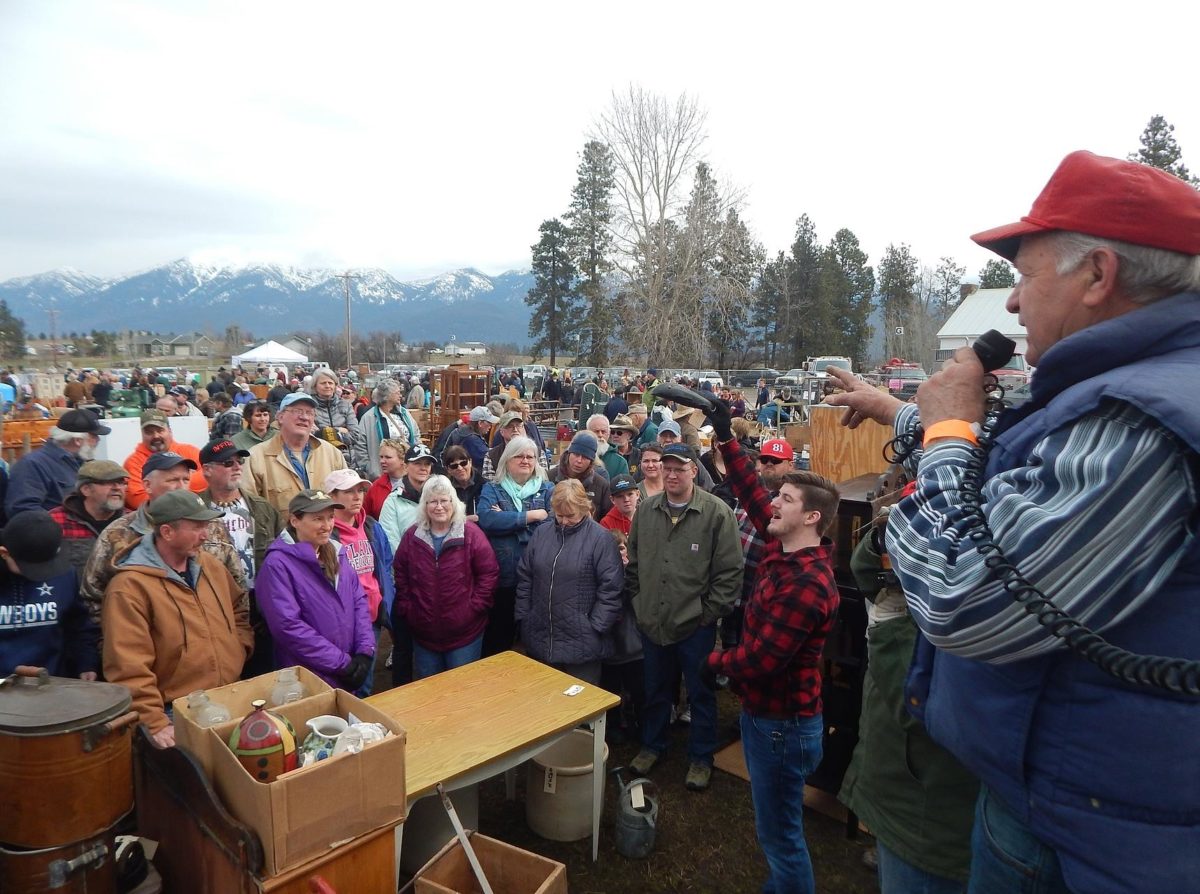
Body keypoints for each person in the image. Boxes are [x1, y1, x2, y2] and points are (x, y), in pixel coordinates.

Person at [825, 150, 1200, 894]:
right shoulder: (1146, 388)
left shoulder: (1137, 423)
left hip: (1079, 831)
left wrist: (948, 433)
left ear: (1098, 275)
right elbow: (1025, 468)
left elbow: (965, 598)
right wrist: (902, 413)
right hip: (1090, 801)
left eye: (1026, 276)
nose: (1013, 306)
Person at [705, 400, 841, 893]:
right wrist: (726, 436)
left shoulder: (807, 585)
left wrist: (711, 660)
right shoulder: (787, 544)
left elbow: (762, 659)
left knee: (781, 836)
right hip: (766, 716)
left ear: (811, 517)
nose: (772, 502)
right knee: (775, 830)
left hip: (783, 726)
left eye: (784, 498)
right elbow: (748, 487)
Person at [626, 442, 743, 791]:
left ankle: (701, 757)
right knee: (655, 689)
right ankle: (653, 745)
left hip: (696, 626)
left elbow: (729, 572)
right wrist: (639, 602)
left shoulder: (716, 513)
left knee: (701, 693)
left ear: (694, 470)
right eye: (668, 468)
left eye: (680, 468)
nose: (672, 474)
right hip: (653, 621)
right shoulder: (646, 511)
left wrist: (708, 615)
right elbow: (634, 563)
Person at [103, 490, 253, 746]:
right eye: (196, 527)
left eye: (206, 526)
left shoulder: (210, 566)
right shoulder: (128, 588)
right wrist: (154, 722)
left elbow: (238, 607)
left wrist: (238, 648)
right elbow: (127, 666)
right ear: (167, 532)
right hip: (176, 713)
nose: (205, 535)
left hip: (230, 696)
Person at [81, 450, 246, 629]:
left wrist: (238, 638)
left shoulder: (213, 526)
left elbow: (237, 588)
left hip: (214, 638)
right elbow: (93, 596)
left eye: (185, 480)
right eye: (172, 480)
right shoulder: (117, 533)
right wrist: (112, 636)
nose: (181, 487)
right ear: (147, 485)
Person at [254, 489, 375, 691]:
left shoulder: (338, 553)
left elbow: (359, 601)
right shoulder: (277, 565)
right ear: (295, 520)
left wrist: (364, 651)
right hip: (309, 678)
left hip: (347, 668)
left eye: (330, 517)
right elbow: (287, 626)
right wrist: (342, 663)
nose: (327, 526)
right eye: (318, 519)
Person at [515, 479, 623, 685]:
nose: (564, 521)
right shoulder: (542, 533)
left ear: (584, 509)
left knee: (581, 699)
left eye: (570, 515)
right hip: (541, 636)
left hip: (583, 641)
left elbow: (611, 588)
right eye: (559, 515)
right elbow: (526, 577)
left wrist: (595, 627)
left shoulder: (601, 539)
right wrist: (525, 617)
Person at [391, 475, 498, 679]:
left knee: (462, 687)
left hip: (465, 633)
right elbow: (401, 572)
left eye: (444, 500)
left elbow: (488, 573)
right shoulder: (412, 536)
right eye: (433, 501)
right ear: (425, 505)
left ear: (453, 502)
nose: (439, 507)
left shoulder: (471, 534)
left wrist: (474, 607)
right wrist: (409, 607)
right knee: (430, 689)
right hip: (424, 633)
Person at [198, 438, 284, 679]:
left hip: (261, 605)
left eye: (240, 461)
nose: (237, 467)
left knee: (266, 674)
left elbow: (284, 554)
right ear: (207, 470)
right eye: (228, 463)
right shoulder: (195, 510)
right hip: (217, 607)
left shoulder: (262, 507)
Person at [477, 436, 555, 657]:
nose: (525, 460)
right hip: (504, 577)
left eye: (530, 456)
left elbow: (552, 526)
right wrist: (530, 516)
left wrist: (508, 520)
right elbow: (487, 519)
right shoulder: (493, 489)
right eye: (519, 456)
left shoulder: (548, 489)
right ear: (507, 460)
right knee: (498, 639)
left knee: (533, 640)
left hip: (538, 576)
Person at [0, 510, 98, 680]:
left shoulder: (63, 573)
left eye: (46, 565)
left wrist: (86, 662)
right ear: (4, 553)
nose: (42, 574)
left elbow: (78, 624)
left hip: (51, 681)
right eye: (31, 568)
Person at [325, 468, 394, 695]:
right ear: (332, 497)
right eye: (348, 492)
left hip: (372, 618)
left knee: (365, 681)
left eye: (360, 490)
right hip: (342, 621)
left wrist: (386, 599)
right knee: (341, 681)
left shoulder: (371, 526)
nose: (357, 497)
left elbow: (386, 564)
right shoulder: (326, 535)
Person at [244, 392, 347, 514]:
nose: (304, 417)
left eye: (309, 413)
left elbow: (346, 499)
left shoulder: (332, 453)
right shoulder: (255, 457)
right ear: (280, 417)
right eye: (297, 411)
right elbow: (250, 509)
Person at [5, 409, 110, 516]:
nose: (98, 440)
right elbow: (23, 510)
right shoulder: (33, 464)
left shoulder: (83, 462)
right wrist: (62, 523)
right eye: (94, 436)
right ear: (78, 440)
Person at [49, 460, 129, 578]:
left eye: (121, 482)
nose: (117, 487)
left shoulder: (133, 522)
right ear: (86, 489)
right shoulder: (55, 521)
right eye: (108, 482)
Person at [122, 409, 207, 510]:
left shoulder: (190, 451)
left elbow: (210, 478)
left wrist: (166, 484)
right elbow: (139, 501)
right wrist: (190, 482)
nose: (156, 436)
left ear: (169, 431)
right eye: (149, 432)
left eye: (160, 430)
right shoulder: (133, 462)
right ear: (142, 434)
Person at [351, 379, 420, 479]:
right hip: (380, 473)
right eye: (397, 393)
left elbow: (416, 434)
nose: (400, 395)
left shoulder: (404, 413)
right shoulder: (369, 417)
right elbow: (360, 444)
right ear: (387, 395)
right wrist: (369, 467)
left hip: (406, 471)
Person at [378, 443, 436, 549]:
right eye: (417, 463)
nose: (423, 468)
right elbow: (390, 542)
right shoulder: (393, 501)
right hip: (405, 558)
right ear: (405, 466)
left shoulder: (439, 497)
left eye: (427, 464)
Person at [548, 431, 613, 520]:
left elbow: (606, 519)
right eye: (576, 454)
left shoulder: (601, 485)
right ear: (569, 453)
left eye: (585, 457)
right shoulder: (550, 477)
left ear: (591, 461)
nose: (579, 460)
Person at [363, 438, 408, 520]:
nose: (382, 461)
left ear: (402, 459)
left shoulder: (415, 483)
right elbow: (366, 517)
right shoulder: (376, 487)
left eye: (388, 457)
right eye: (381, 457)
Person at [480, 411, 528, 480]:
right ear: (501, 431)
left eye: (518, 425)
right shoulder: (491, 455)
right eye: (510, 426)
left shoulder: (537, 452)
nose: (515, 429)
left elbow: (542, 479)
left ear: (523, 428)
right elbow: (489, 483)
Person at [442, 444, 484, 520]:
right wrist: (465, 519)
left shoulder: (485, 485)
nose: (460, 468)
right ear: (448, 469)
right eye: (454, 466)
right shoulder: (445, 490)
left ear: (470, 462)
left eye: (463, 463)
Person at [586, 414, 630, 481]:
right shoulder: (579, 457)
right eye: (596, 431)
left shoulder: (620, 462)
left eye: (603, 432)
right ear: (587, 432)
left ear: (608, 433)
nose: (600, 435)